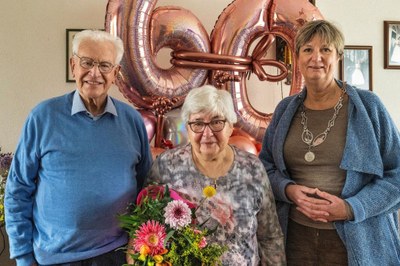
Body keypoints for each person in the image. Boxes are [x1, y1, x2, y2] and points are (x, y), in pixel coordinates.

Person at [5, 30, 152, 266]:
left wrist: (139, 247)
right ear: (73, 65)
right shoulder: (42, 117)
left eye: (105, 65)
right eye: (87, 62)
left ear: (116, 73)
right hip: (55, 259)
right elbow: (17, 190)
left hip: (118, 254)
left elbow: (147, 188)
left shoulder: (132, 120)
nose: (95, 73)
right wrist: (23, 257)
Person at [259, 20, 400, 265]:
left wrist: (351, 208)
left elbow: (397, 173)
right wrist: (288, 190)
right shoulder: (285, 110)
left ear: (339, 56)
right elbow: (265, 167)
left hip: (357, 238)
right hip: (295, 238)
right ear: (297, 57)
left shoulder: (368, 106)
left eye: (326, 49)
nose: (316, 57)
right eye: (308, 49)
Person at [144, 85, 286, 265]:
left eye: (217, 122)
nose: (207, 133)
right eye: (198, 123)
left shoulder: (252, 168)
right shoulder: (166, 166)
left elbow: (270, 237)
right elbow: (147, 229)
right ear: (187, 127)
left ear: (230, 126)